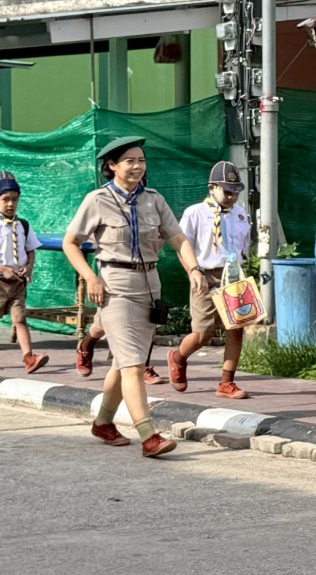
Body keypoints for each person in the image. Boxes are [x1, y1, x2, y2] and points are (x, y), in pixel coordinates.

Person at [62, 136, 205, 458]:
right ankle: (148, 434)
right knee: (134, 366)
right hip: (115, 286)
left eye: (141, 160)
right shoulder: (97, 200)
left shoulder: (154, 200)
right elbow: (71, 242)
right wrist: (91, 277)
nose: (138, 166)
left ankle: (103, 423)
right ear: (112, 166)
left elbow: (178, 238)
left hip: (150, 286)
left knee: (125, 362)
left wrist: (194, 269)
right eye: (130, 161)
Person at [166, 161, 252, 400]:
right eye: (227, 191)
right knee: (203, 333)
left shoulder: (240, 214)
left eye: (236, 192)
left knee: (236, 329)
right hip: (205, 274)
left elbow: (244, 247)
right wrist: (193, 272)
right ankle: (178, 357)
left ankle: (227, 382)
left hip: (232, 275)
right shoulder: (195, 213)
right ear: (212, 187)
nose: (232, 197)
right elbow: (182, 247)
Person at [0, 170, 49, 374]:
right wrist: (2, 269)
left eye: (15, 199)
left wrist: (29, 266)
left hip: (18, 283)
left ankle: (29, 357)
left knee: (20, 319)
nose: (11, 204)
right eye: (5, 199)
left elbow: (30, 250)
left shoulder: (23, 225)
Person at [76, 313, 164, 384]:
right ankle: (86, 345)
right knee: (102, 324)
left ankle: (143, 367)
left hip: (145, 296)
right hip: (115, 296)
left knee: (149, 322)